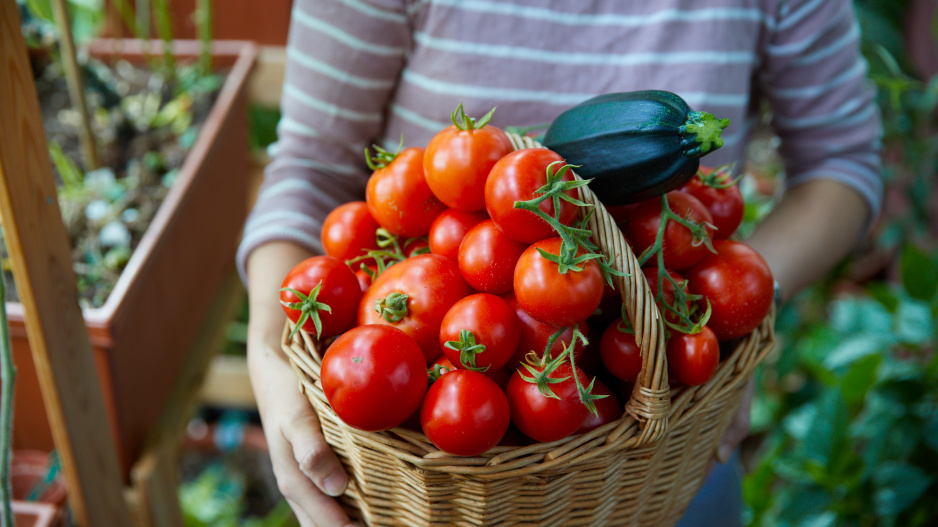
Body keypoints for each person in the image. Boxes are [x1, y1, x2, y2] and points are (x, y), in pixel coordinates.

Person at [237, 1, 881, 525]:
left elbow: (840, 163)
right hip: (429, 483)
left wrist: (725, 305)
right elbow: (312, 164)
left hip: (665, 449)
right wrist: (269, 345)